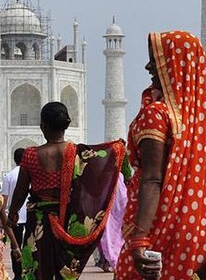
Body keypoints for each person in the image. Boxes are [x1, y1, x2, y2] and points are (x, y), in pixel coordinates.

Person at [115, 30, 206, 280]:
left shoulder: (158, 113)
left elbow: (153, 178)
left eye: (156, 59)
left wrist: (140, 238)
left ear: (175, 63)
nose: (148, 66)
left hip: (164, 229)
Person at [8, 102, 126, 279]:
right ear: (66, 125)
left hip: (39, 220)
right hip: (67, 221)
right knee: (63, 269)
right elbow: (99, 168)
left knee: (37, 265)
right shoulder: (77, 153)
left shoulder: (30, 155)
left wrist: (13, 213)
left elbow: (21, 190)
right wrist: (116, 148)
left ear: (43, 126)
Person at [1, 148, 28, 280]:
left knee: (15, 246)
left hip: (14, 217)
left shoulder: (9, 176)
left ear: (14, 159)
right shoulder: (31, 174)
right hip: (30, 215)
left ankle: (18, 275)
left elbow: (4, 200)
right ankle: (28, 272)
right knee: (30, 245)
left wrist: (4, 216)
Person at [95, 172, 127, 273]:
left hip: (113, 204)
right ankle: (109, 260)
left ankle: (108, 260)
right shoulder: (116, 175)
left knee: (108, 231)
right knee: (107, 231)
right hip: (110, 205)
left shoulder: (117, 176)